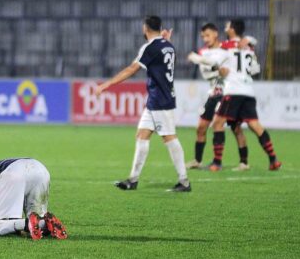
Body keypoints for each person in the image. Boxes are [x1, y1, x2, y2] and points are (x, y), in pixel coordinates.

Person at [94, 15, 191, 192]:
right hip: (157, 98)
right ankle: (133, 179)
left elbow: (132, 69)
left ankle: (184, 181)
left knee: (169, 137)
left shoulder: (150, 47)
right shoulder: (168, 45)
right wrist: (166, 40)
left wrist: (107, 84)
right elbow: (170, 63)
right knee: (141, 136)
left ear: (145, 29)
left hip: (160, 99)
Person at [201, 19, 281, 171]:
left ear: (232, 29)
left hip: (234, 90)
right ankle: (273, 160)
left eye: (227, 25)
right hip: (248, 91)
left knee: (217, 123)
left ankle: (216, 163)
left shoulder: (225, 46)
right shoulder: (249, 48)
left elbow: (215, 63)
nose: (225, 27)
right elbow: (256, 70)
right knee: (254, 126)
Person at [185, 23, 249, 171]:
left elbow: (226, 72)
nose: (205, 39)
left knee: (235, 127)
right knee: (201, 128)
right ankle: (197, 160)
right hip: (213, 93)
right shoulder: (203, 52)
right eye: (203, 36)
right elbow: (207, 74)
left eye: (208, 35)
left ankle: (240, 162)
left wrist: (205, 63)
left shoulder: (226, 50)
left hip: (228, 92)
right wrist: (215, 68)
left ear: (215, 33)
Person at [0, 158, 67, 240]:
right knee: (34, 227)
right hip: (40, 170)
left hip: (13, 172)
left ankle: (26, 224)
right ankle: (45, 223)